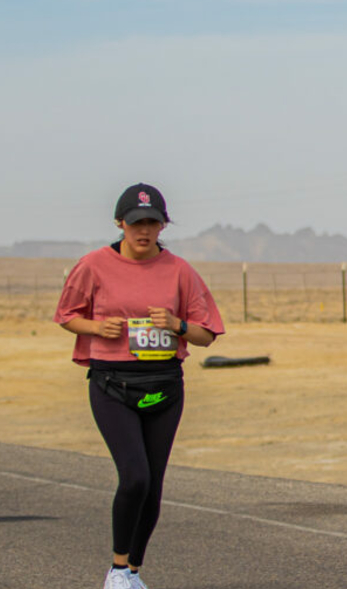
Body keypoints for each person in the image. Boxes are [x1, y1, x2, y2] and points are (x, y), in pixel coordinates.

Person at [55, 183, 224, 589]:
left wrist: (177, 325)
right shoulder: (93, 265)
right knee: (134, 476)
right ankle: (115, 569)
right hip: (112, 383)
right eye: (136, 223)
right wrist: (97, 326)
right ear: (120, 223)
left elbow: (206, 335)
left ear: (163, 225)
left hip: (164, 385)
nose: (144, 231)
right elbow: (66, 315)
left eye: (152, 222)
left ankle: (132, 572)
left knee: (153, 485)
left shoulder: (180, 270)